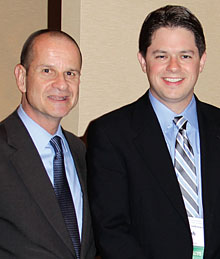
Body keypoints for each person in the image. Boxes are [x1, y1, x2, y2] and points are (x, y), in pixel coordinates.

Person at [87, 5, 220, 259]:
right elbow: (111, 231)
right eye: (161, 56)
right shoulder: (110, 135)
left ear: (201, 61)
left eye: (185, 56)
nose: (173, 67)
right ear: (143, 61)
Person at [0, 29, 95, 259]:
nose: (61, 84)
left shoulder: (82, 151)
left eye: (70, 73)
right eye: (47, 71)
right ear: (22, 77)